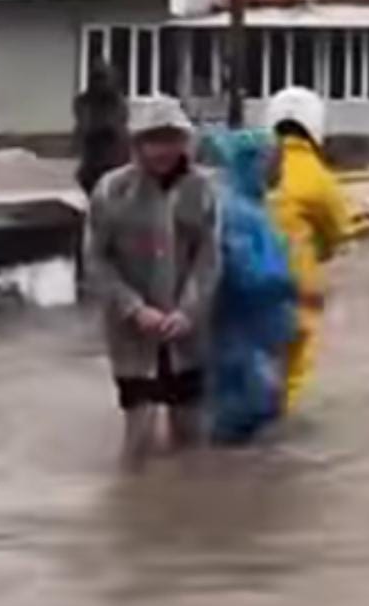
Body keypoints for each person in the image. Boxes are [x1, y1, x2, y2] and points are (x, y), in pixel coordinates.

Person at [85, 97, 219, 466]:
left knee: (191, 435)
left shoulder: (202, 190)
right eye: (153, 140)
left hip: (187, 332)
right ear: (136, 144)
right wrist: (133, 308)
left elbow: (209, 258)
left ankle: (183, 513)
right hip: (133, 333)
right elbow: (96, 260)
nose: (163, 150)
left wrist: (189, 311)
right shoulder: (112, 191)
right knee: (138, 436)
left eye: (171, 139)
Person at [199, 129, 297, 445]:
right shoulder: (236, 213)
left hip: (258, 335)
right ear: (251, 163)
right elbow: (245, 274)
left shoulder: (253, 207)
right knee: (239, 419)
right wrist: (287, 283)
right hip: (241, 337)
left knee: (256, 414)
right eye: (270, 161)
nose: (276, 169)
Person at [265, 87, 354, 413]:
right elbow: (337, 232)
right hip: (293, 285)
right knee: (289, 371)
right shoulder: (318, 178)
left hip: (238, 281)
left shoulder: (249, 166)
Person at [73, 63, 130, 197]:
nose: (102, 84)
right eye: (98, 78)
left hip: (114, 151)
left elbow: (116, 124)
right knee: (88, 180)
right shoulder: (84, 101)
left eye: (104, 78)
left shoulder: (117, 101)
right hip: (93, 152)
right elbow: (85, 124)